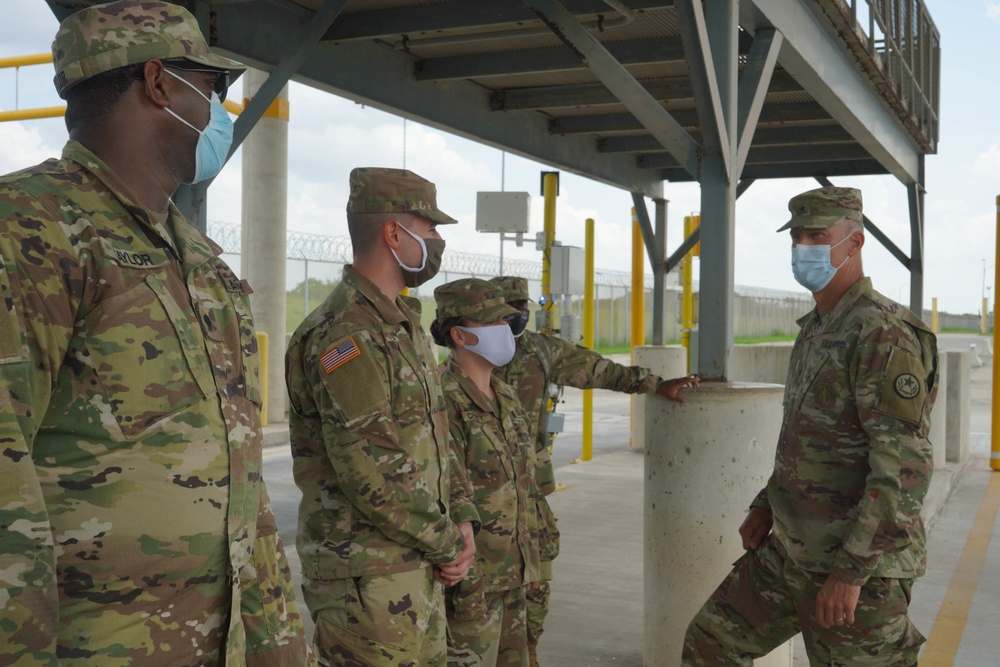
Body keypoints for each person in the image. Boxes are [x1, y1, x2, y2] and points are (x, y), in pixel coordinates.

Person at [0, 1, 312, 664]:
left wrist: (283, 649)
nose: (217, 113)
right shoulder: (29, 230)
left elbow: (243, 491)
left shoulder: (198, 261)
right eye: (214, 89)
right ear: (160, 84)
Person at [682, 186, 937, 666]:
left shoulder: (881, 333)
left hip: (856, 566)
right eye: (797, 237)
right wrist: (767, 504)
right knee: (710, 643)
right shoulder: (817, 328)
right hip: (793, 552)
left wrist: (852, 573)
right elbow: (806, 440)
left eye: (817, 236)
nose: (803, 248)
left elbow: (903, 471)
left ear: (854, 243)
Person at [286, 167, 480, 666]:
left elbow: (437, 438)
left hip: (416, 563)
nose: (437, 240)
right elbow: (369, 466)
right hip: (366, 576)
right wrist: (444, 540)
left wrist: (462, 520)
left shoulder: (402, 325)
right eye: (430, 227)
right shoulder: (345, 334)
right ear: (394, 233)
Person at [489, 276, 698, 665]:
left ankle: (527, 651)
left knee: (536, 572)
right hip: (478, 493)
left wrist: (654, 384)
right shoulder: (465, 359)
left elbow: (598, 369)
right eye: (507, 310)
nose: (516, 318)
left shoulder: (540, 350)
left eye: (522, 309)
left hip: (528, 489)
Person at [431, 279, 542, 667]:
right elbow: (446, 487)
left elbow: (523, 487)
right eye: (492, 324)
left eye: (506, 323)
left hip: (514, 576)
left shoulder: (506, 396)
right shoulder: (443, 399)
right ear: (459, 335)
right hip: (470, 584)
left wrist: (532, 561)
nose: (505, 333)